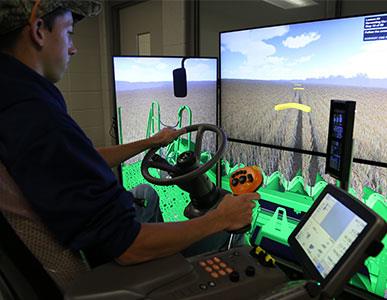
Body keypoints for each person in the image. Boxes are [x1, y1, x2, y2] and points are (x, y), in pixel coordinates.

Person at [0, 0, 258, 282]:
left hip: (81, 238)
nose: (73, 47)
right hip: (110, 267)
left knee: (145, 193)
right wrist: (220, 218)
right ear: (39, 29)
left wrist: (149, 142)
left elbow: (80, 160)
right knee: (221, 231)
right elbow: (128, 246)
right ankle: (173, 275)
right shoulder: (36, 115)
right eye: (69, 32)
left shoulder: (14, 98)